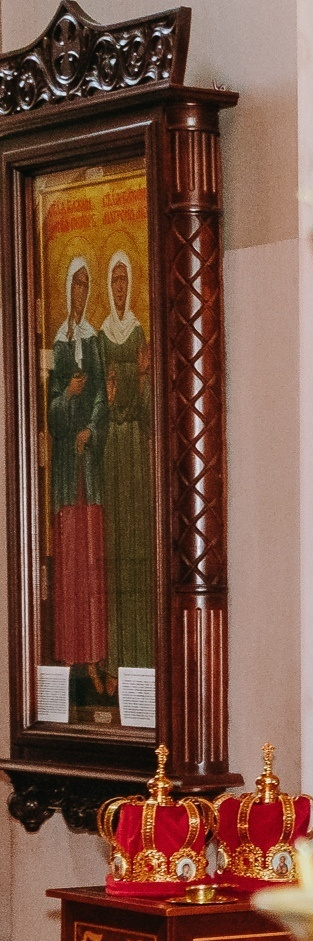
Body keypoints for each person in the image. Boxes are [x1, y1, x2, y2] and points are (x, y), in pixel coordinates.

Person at [47, 255, 107, 675]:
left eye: (87, 285)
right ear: (68, 289)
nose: (81, 292)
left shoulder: (95, 339)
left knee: (91, 556)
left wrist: (90, 429)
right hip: (67, 469)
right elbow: (49, 410)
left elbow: (104, 393)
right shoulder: (59, 343)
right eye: (76, 285)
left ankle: (95, 655)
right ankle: (70, 655)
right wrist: (66, 394)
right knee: (68, 557)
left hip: (90, 463)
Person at [99, 249, 153, 675]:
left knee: (138, 545)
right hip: (112, 450)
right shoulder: (101, 337)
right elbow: (99, 401)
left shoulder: (138, 335)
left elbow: (150, 405)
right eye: (113, 282)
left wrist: (144, 376)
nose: (119, 288)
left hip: (134, 444)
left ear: (130, 285)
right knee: (114, 547)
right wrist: (109, 397)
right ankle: (116, 659)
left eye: (124, 281)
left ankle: (141, 657)